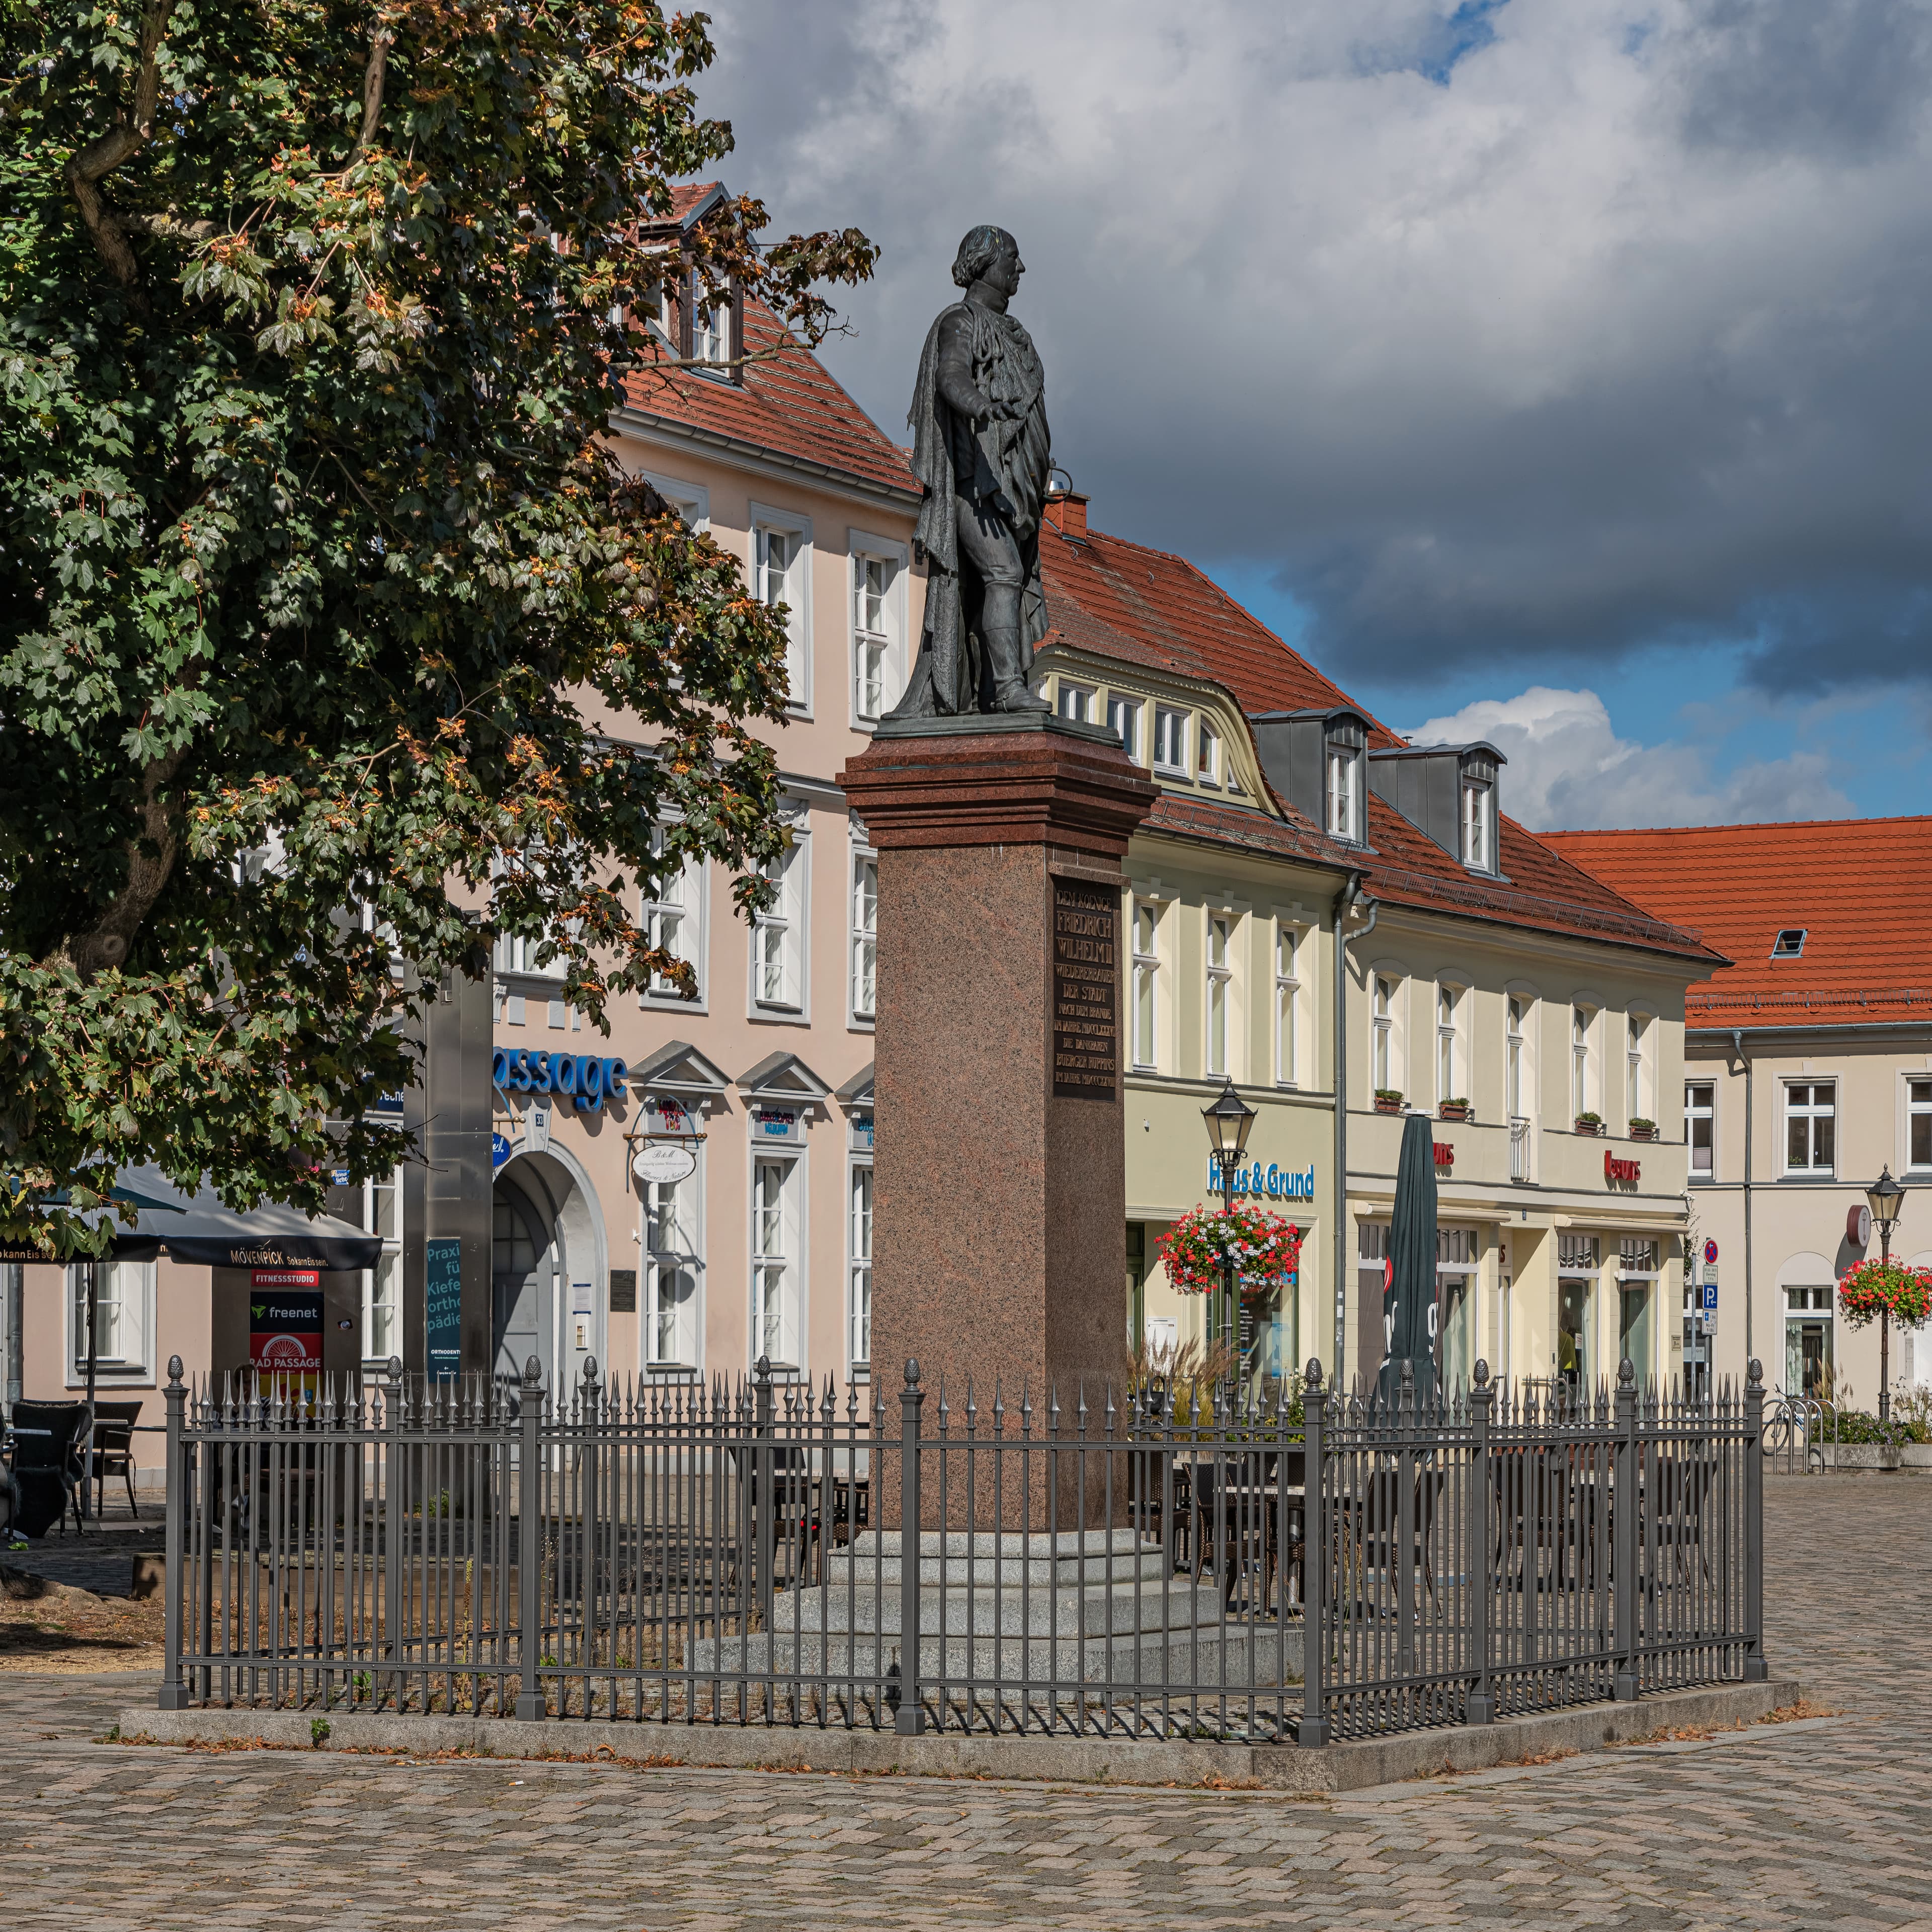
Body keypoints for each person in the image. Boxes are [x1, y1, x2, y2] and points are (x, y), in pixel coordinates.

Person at [887, 225, 1055, 718]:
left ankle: (990, 694)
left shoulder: (1013, 332)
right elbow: (951, 375)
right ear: (986, 264)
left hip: (1013, 490)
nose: (1020, 268)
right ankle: (1007, 689)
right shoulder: (960, 322)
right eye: (1012, 259)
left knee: (995, 588)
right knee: (1004, 573)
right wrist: (979, 404)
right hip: (972, 489)